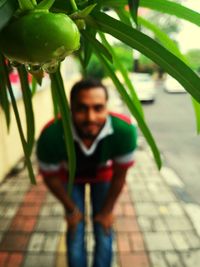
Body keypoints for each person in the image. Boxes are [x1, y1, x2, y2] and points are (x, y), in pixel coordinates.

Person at [36, 78, 137, 267]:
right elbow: (50, 178)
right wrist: (71, 209)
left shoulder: (124, 131)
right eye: (82, 108)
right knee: (75, 228)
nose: (90, 117)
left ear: (107, 107)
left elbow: (120, 176)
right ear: (70, 109)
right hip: (70, 177)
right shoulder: (51, 135)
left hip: (103, 175)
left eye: (98, 108)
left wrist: (107, 211)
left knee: (104, 227)